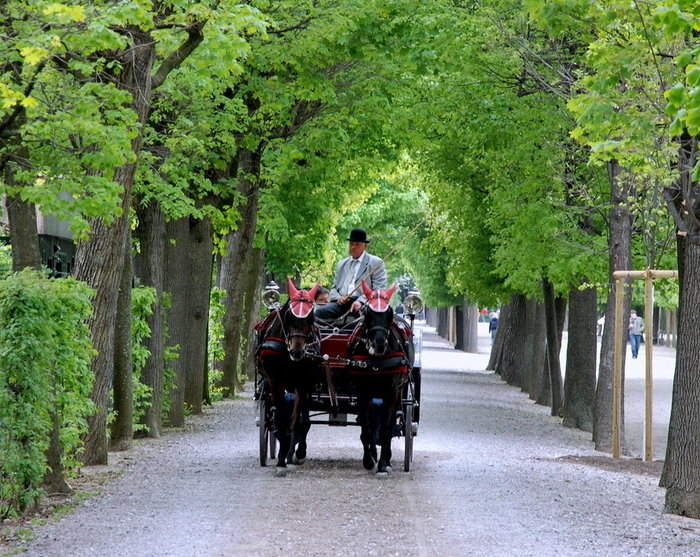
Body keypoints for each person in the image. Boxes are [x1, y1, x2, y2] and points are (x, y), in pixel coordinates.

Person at [315, 228, 387, 322]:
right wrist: (338, 298)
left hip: (365, 303)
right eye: (351, 244)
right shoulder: (341, 264)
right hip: (342, 304)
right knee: (319, 312)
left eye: (357, 244)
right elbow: (334, 289)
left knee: (369, 318)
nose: (353, 247)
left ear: (365, 246)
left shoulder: (376, 263)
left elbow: (379, 289)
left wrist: (360, 301)